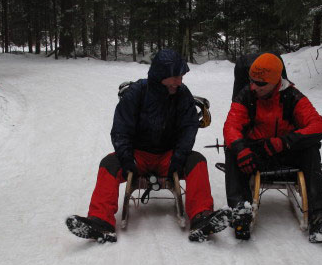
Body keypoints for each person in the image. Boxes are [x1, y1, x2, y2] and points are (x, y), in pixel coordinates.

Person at [66, 49, 230, 243]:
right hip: (138, 155)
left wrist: (179, 156)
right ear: (161, 75)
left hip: (169, 155)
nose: (179, 82)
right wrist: (126, 158)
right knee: (109, 164)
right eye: (175, 77)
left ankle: (201, 217)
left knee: (197, 162)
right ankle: (100, 222)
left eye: (181, 77)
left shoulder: (182, 94)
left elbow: (188, 129)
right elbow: (121, 129)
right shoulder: (137, 92)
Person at [223, 53, 322, 243]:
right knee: (232, 149)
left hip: (285, 151)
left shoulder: (292, 96)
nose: (254, 87)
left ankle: (319, 218)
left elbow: (319, 126)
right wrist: (241, 149)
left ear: (275, 81)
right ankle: (241, 211)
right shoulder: (246, 95)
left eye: (260, 83)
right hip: (258, 151)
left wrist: (285, 141)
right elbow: (231, 126)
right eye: (252, 81)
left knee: (311, 149)